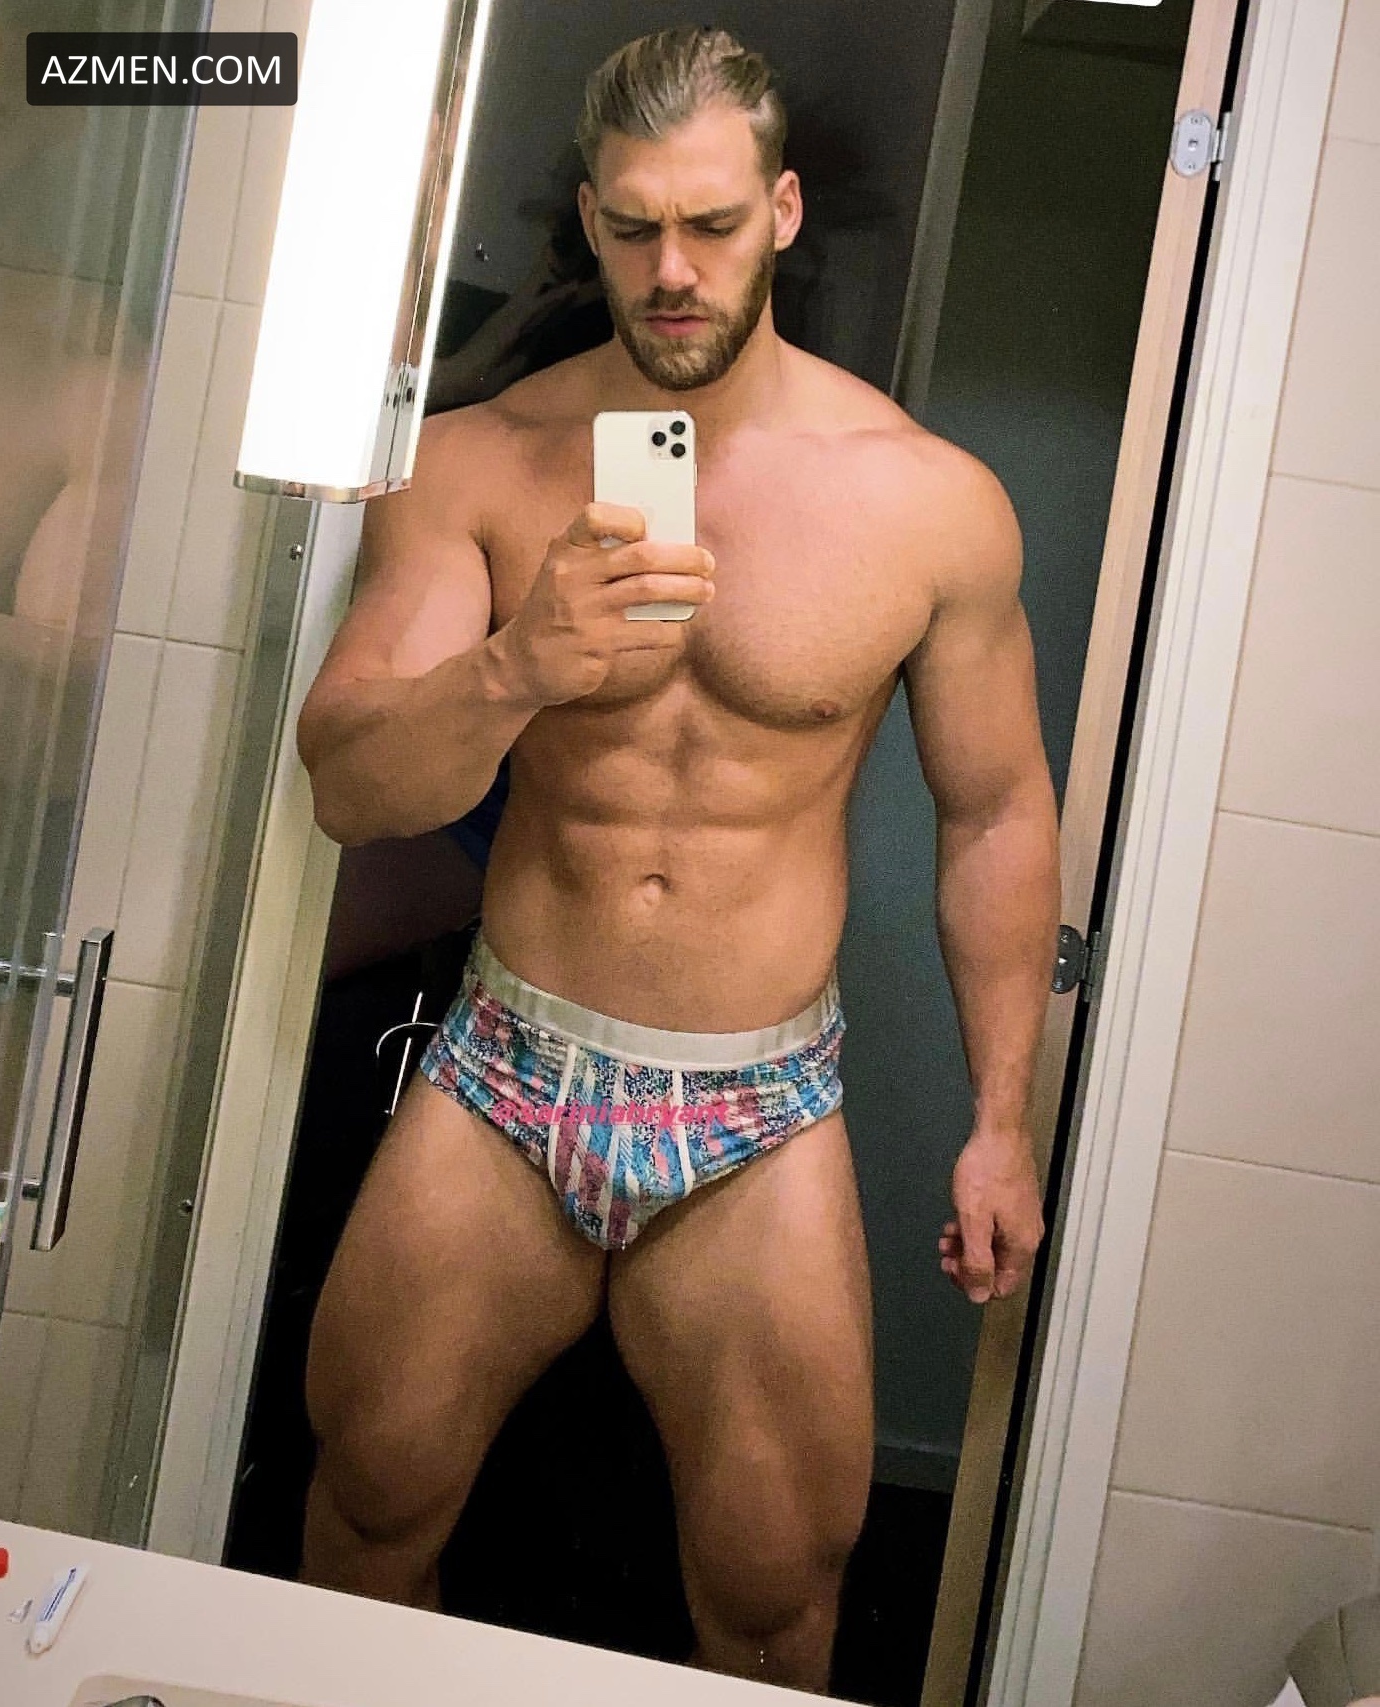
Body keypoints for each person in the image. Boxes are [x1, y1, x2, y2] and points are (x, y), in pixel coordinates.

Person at [295, 25, 1059, 1692]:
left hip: (754, 1107)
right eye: (634, 227)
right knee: (367, 1505)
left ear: (779, 213)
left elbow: (996, 811)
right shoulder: (477, 464)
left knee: (777, 1594)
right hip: (508, 1067)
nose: (672, 272)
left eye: (711, 225)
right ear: (588, 218)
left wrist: (1001, 1121)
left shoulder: (927, 503)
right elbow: (348, 785)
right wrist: (517, 667)